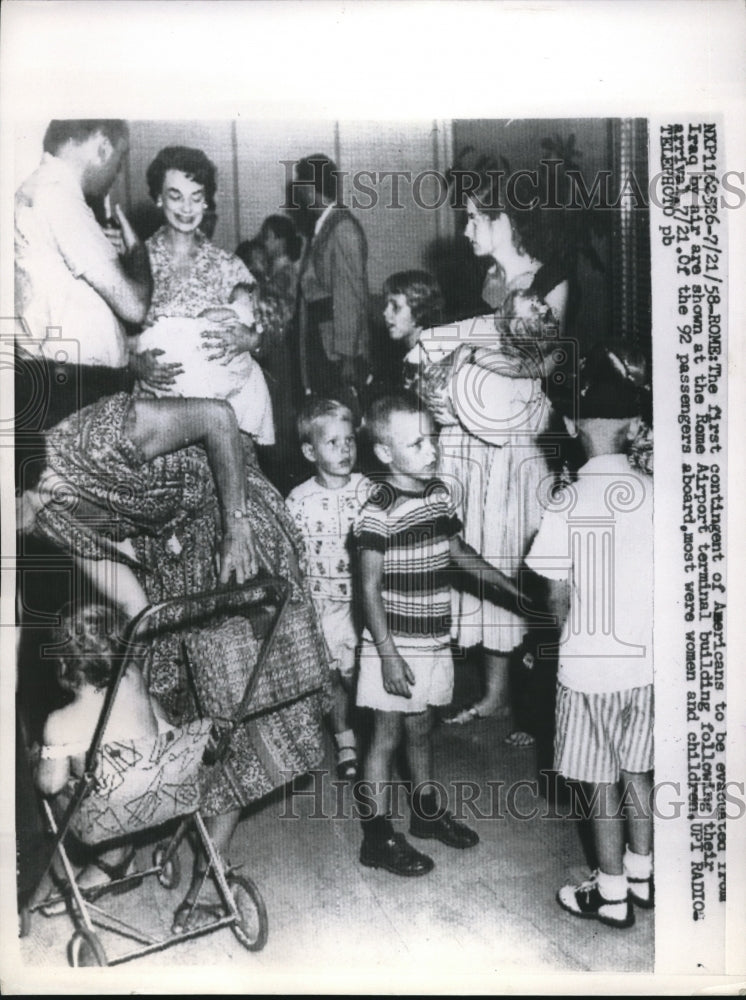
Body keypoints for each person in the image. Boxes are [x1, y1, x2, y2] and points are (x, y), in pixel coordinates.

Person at [17, 391, 328, 932]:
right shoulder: (44, 517)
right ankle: (125, 844)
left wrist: (236, 525)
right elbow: (130, 600)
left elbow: (218, 417)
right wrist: (127, 676)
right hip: (174, 547)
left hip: (234, 520)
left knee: (237, 707)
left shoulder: (100, 438)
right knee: (173, 700)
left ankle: (210, 874)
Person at [354, 394, 524, 876]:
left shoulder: (437, 494)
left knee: (422, 728)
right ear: (385, 453)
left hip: (432, 639)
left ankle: (425, 813)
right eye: (416, 443)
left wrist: (508, 587)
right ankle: (377, 837)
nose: (431, 450)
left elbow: (456, 551)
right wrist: (387, 654)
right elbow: (367, 588)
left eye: (432, 439)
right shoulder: (377, 509)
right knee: (386, 736)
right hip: (391, 643)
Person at [426, 176, 571, 734]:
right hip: (474, 434)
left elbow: (543, 361)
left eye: (474, 219)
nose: (466, 230)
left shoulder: (550, 280)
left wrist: (468, 352)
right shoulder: (481, 277)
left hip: (521, 441)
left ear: (506, 220)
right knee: (485, 553)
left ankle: (542, 702)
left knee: (523, 559)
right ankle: (495, 694)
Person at [525, 341, 654, 928]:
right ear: (635, 426)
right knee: (638, 773)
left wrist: (560, 641)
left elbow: (554, 595)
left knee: (599, 783)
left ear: (572, 426)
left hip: (588, 673)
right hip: (645, 670)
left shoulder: (567, 501)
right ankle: (643, 874)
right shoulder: (655, 494)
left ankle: (611, 894)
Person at [34, 603, 167, 904]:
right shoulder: (133, 676)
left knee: (47, 776)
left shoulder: (60, 723)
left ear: (62, 664)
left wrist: (42, 764)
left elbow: (51, 785)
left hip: (112, 816)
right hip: (164, 795)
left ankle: (111, 858)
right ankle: (121, 858)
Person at [14, 119, 153, 403]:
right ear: (103, 147)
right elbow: (135, 306)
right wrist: (137, 250)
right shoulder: (57, 196)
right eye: (120, 159)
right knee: (214, 416)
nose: (117, 172)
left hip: (66, 381)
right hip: (74, 388)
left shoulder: (39, 191)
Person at [286, 398, 371, 780]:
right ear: (310, 452)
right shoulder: (298, 499)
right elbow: (290, 553)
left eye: (349, 440)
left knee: (361, 674)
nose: (344, 449)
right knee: (332, 677)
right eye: (332, 443)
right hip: (321, 604)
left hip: (361, 603)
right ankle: (344, 740)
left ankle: (376, 737)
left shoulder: (368, 489)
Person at [135, 282, 274, 446]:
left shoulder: (243, 284)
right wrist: (135, 362)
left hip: (219, 372)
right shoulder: (144, 264)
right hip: (156, 366)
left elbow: (272, 328)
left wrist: (253, 340)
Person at [294, 154, 370, 414]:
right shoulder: (325, 225)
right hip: (324, 342)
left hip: (336, 351)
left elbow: (349, 295)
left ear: (309, 189)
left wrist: (348, 357)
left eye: (300, 187)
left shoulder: (342, 228)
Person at [380, 269, 446, 395]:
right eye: (386, 305)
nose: (385, 313)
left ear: (419, 310)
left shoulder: (430, 360)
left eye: (395, 307)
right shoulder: (416, 353)